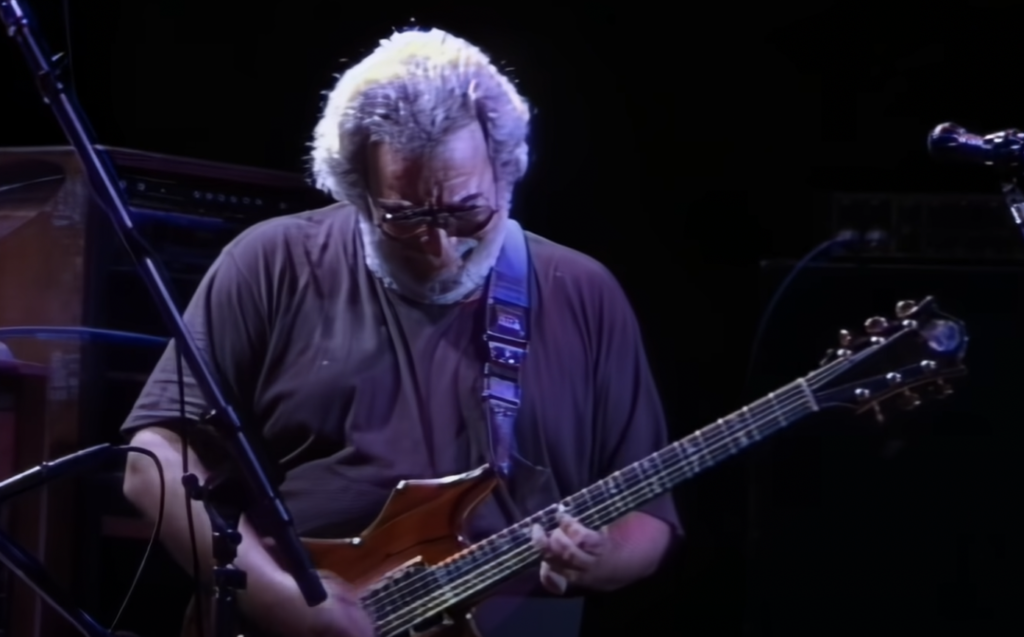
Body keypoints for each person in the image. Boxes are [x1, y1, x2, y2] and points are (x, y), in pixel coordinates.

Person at [120, 27, 681, 637]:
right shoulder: (270, 263)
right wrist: (278, 598)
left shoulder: (585, 292)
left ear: (507, 171)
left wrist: (605, 558)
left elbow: (647, 519)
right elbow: (153, 465)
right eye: (405, 216)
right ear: (358, 192)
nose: (441, 248)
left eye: (465, 210)